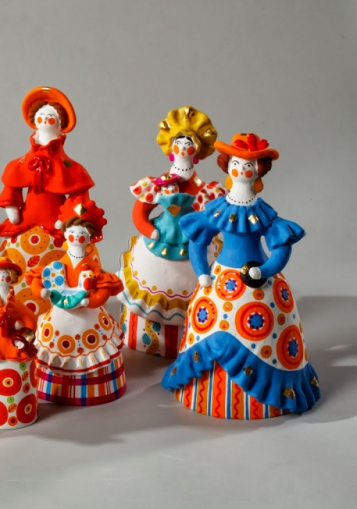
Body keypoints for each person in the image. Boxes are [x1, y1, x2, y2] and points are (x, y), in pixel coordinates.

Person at [162, 133, 320, 418]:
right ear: (227, 165)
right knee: (208, 318)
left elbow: (280, 247)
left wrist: (265, 270)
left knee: (265, 321)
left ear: (258, 171)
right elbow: (198, 240)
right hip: (220, 279)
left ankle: (269, 394)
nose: (241, 170)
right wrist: (202, 273)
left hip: (258, 281)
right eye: (236, 163)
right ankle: (207, 391)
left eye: (249, 165)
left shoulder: (263, 212)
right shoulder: (219, 208)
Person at [117, 107, 226, 358]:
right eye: (179, 142)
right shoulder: (157, 184)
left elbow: (213, 217)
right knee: (148, 276)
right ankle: (144, 335)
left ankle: (194, 333)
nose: (184, 146)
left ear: (197, 152)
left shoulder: (205, 190)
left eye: (189, 143)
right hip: (159, 241)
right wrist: (149, 230)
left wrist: (206, 234)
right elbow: (140, 212)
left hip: (194, 244)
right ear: (170, 148)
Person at [0, 86, 98, 316]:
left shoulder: (72, 168)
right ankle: (17, 309)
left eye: (50, 116)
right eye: (40, 115)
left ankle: (65, 305)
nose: (44, 119)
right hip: (25, 221)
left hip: (58, 224)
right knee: (16, 257)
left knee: (67, 257)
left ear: (60, 124)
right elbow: (13, 181)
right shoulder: (19, 163)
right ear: (33, 121)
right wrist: (12, 205)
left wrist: (69, 218)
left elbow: (79, 199)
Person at [29, 197, 126, 406]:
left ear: (90, 237)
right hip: (59, 318)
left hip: (88, 319)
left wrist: (90, 302)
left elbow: (103, 291)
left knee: (92, 347)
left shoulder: (93, 268)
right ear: (64, 234)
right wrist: (42, 292)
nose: (76, 236)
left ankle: (95, 388)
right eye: (72, 232)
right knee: (54, 345)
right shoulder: (57, 266)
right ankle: (52, 387)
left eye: (82, 233)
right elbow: (39, 281)